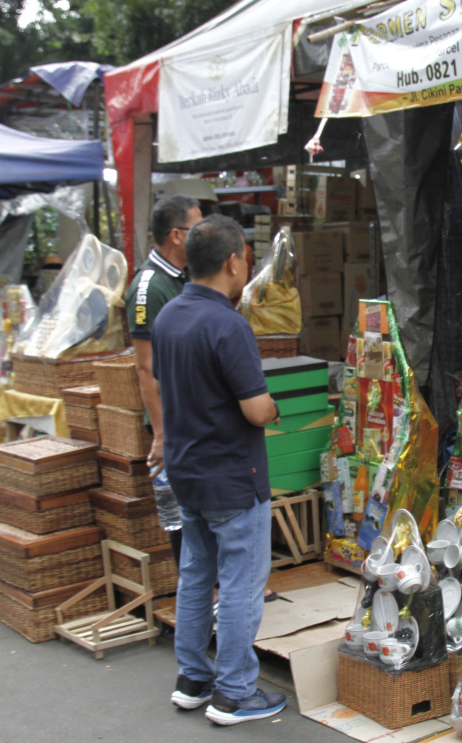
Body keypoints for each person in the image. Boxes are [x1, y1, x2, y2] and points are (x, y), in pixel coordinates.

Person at [151, 215, 286, 725]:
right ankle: (234, 692)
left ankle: (193, 679)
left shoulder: (169, 317)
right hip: (232, 475)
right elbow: (255, 409)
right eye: (245, 256)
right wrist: (273, 408)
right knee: (240, 585)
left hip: (186, 469)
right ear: (233, 262)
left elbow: (168, 389)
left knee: (195, 576)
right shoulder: (228, 324)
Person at [125, 194, 201, 567]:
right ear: (176, 234)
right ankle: (204, 598)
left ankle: (216, 589)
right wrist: (161, 431)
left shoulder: (183, 277)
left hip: (192, 414)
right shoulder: (149, 287)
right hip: (171, 422)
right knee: (180, 515)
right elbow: (144, 367)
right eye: (196, 228)